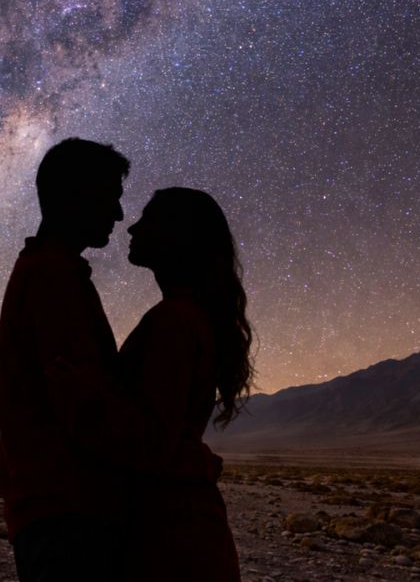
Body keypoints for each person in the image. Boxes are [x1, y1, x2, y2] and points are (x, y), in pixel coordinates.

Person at [0, 139, 220, 582]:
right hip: (69, 509)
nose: (121, 218)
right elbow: (94, 413)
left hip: (69, 508)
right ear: (75, 195)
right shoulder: (53, 278)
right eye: (112, 199)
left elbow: (129, 420)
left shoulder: (58, 276)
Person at [119, 187, 253, 581]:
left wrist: (75, 393)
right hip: (183, 526)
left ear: (176, 235)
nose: (131, 228)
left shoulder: (175, 321)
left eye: (148, 219)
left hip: (173, 536)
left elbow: (150, 439)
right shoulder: (188, 316)